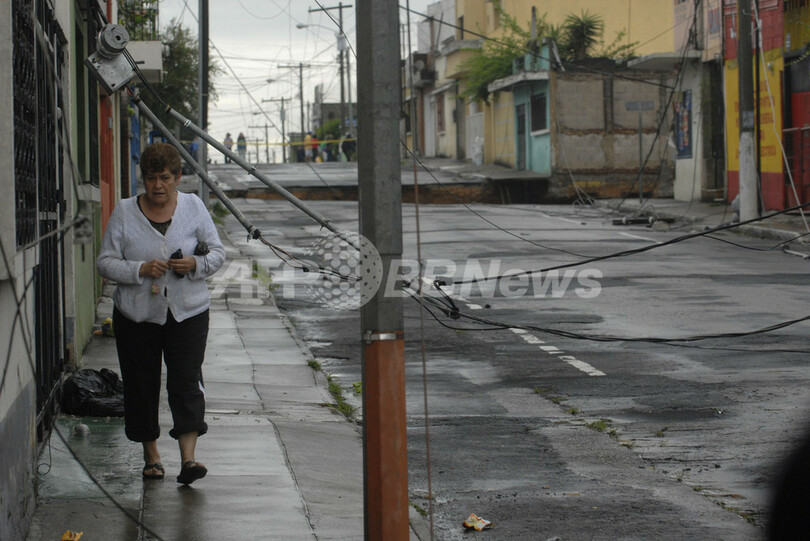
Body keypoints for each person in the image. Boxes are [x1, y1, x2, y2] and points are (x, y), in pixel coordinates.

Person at [97, 142, 226, 485]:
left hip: (188, 312)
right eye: (151, 178)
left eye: (165, 178)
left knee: (186, 380)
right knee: (141, 383)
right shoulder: (125, 213)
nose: (158, 186)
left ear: (178, 178)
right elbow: (105, 262)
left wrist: (195, 264)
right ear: (143, 179)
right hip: (137, 315)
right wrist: (139, 269)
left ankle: (189, 459)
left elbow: (217, 253)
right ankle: (151, 456)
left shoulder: (194, 207)